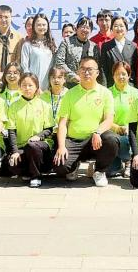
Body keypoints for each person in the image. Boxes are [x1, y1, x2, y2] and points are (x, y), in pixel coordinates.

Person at [52, 56, 120, 187]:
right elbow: (62, 123)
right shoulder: (70, 94)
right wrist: (61, 147)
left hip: (95, 140)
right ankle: (74, 166)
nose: (86, 72)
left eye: (90, 69)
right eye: (83, 69)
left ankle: (99, 171)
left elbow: (109, 120)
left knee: (112, 140)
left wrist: (98, 132)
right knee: (60, 167)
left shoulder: (105, 93)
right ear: (78, 72)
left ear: (97, 73)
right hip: (74, 141)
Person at [4, 73, 55, 187]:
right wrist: (15, 151)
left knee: (33, 146)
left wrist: (39, 136)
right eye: (24, 85)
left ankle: (36, 176)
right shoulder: (14, 106)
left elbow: (49, 129)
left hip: (40, 146)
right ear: (19, 87)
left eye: (30, 85)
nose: (27, 88)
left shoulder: (44, 105)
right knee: (12, 164)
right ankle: (27, 172)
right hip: (22, 146)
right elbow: (11, 131)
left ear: (36, 87)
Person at [109, 61, 138, 177]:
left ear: (129, 75)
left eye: (124, 74)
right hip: (111, 131)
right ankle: (116, 164)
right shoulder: (107, 92)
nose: (121, 77)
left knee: (126, 139)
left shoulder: (136, 93)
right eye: (117, 74)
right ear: (113, 76)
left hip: (129, 131)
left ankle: (128, 161)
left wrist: (128, 127)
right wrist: (115, 127)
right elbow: (102, 117)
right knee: (110, 172)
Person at [53, 17, 100, 88]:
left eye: (87, 28)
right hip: (69, 84)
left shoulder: (94, 46)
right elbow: (59, 62)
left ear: (91, 31)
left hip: (88, 84)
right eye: (82, 27)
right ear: (76, 29)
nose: (85, 30)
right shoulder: (66, 42)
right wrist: (74, 76)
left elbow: (96, 66)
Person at [20, 13, 56, 90]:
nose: (41, 27)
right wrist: (32, 84)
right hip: (33, 87)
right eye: (38, 25)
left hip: (49, 87)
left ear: (47, 26)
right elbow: (25, 67)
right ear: (34, 26)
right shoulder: (27, 45)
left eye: (44, 25)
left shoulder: (51, 44)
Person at [99, 16, 138, 87]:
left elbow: (135, 68)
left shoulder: (133, 46)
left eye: (121, 26)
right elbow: (103, 69)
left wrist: (133, 84)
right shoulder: (106, 46)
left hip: (128, 86)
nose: (119, 28)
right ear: (111, 29)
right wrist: (104, 87)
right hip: (112, 86)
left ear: (126, 29)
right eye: (116, 26)